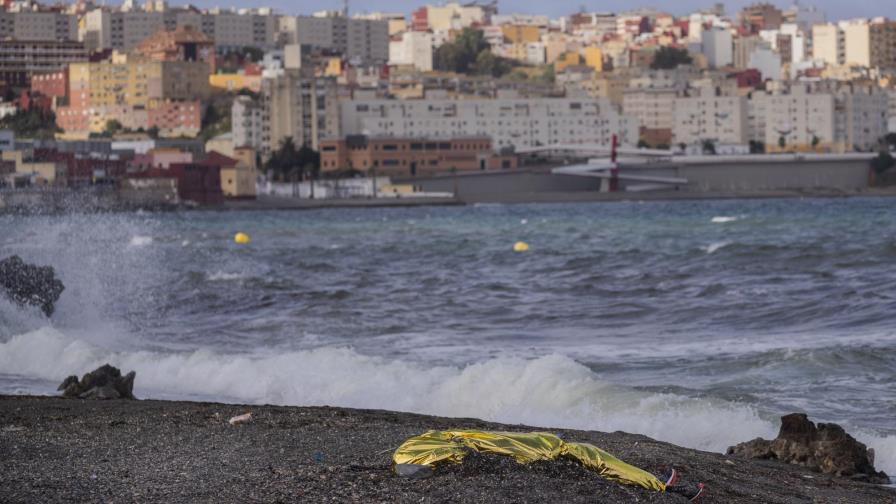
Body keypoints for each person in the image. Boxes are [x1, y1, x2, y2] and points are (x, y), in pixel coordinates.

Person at [393, 430, 704, 501]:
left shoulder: (413, 449)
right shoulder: (422, 450)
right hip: (536, 447)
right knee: (585, 452)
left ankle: (660, 482)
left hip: (465, 443)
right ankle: (662, 484)